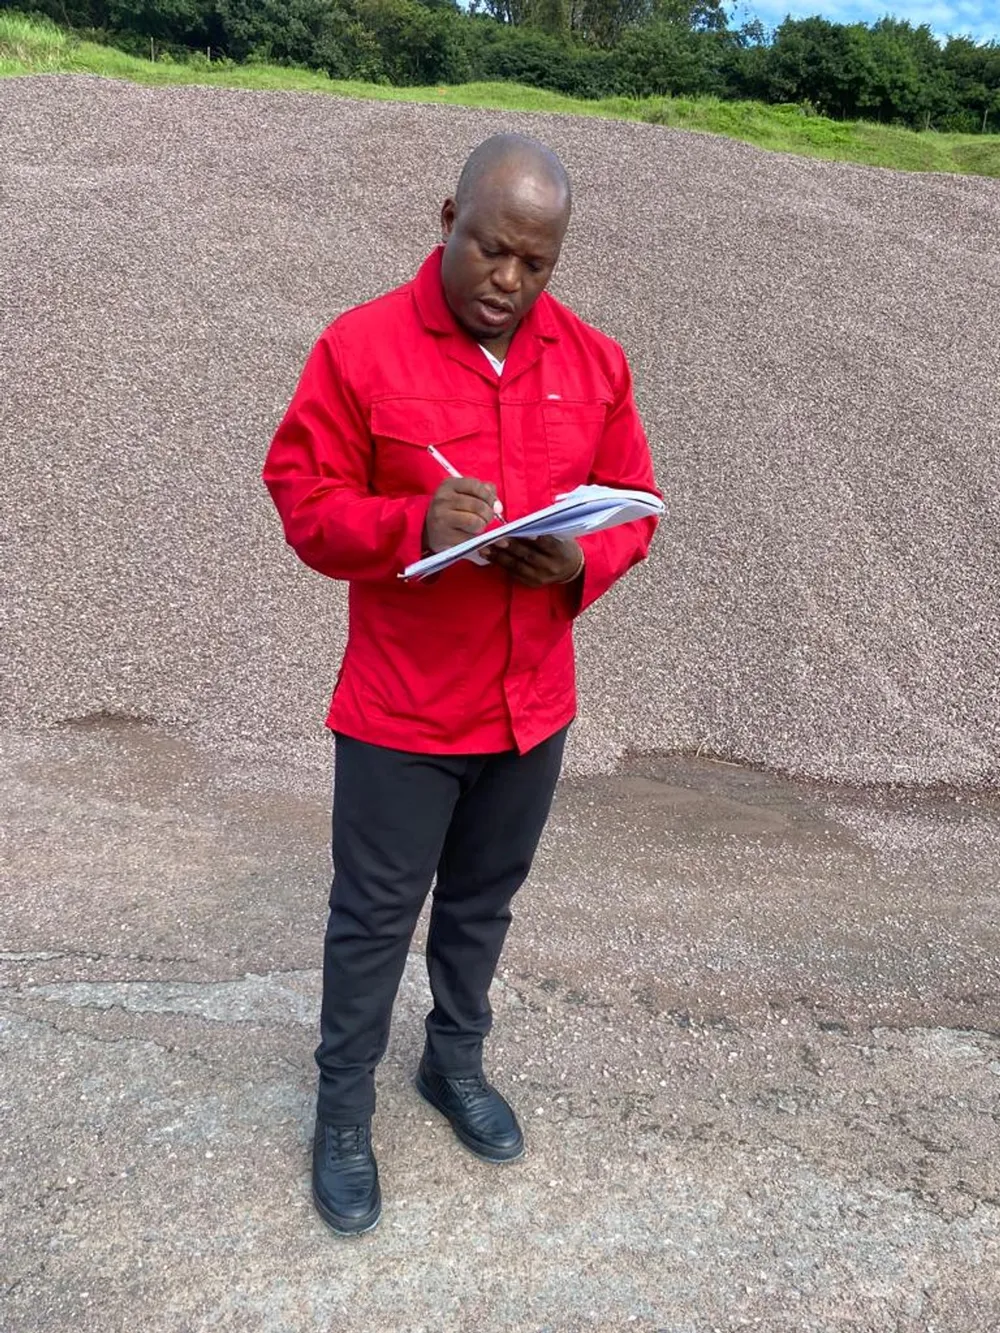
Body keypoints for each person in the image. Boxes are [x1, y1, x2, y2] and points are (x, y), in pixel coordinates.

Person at [263, 133, 660, 1236]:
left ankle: (453, 1065)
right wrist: (408, 524)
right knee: (373, 918)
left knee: (481, 906)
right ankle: (342, 1110)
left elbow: (632, 501)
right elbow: (302, 496)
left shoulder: (592, 362)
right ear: (447, 221)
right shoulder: (360, 349)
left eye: (537, 264)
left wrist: (580, 559)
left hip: (532, 702)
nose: (509, 280)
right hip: (402, 707)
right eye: (492, 249)